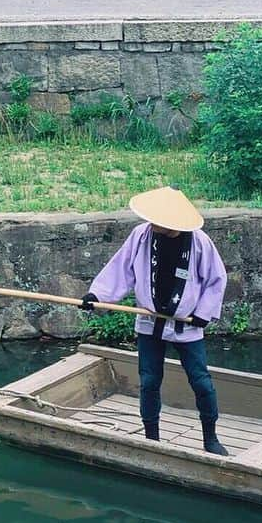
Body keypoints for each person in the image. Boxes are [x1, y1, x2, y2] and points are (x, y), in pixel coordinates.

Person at [81, 185, 229, 455]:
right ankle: (152, 439)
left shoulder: (199, 242)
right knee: (149, 381)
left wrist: (204, 314)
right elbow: (120, 268)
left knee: (201, 382)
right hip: (150, 323)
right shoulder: (142, 235)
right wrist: (96, 295)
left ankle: (211, 438)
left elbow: (216, 279)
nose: (151, 223)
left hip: (187, 326)